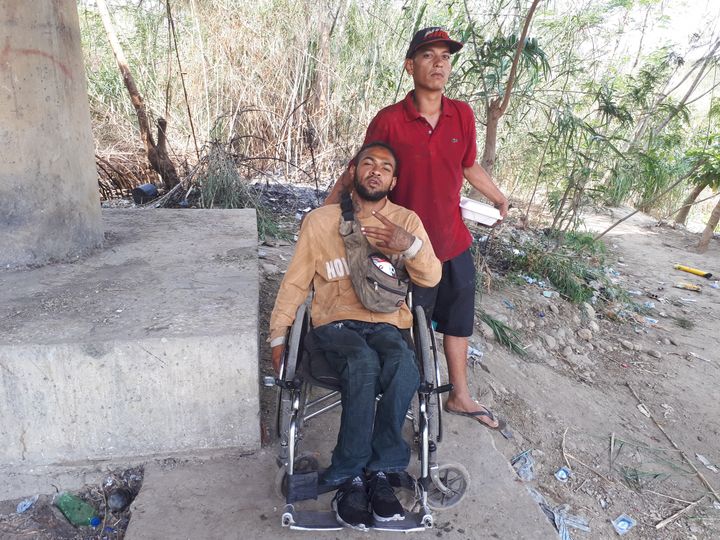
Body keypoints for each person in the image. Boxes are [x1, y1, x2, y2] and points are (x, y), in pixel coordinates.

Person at [324, 27, 509, 431]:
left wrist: (497, 196)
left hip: (452, 240)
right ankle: (405, 398)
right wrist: (326, 211)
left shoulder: (462, 113)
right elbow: (362, 168)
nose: (439, 62)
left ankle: (459, 395)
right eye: (428, 55)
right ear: (411, 66)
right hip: (403, 245)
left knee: (458, 321)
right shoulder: (390, 120)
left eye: (445, 56)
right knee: (406, 324)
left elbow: (467, 164)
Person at [269, 142, 441, 530]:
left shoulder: (406, 221)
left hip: (388, 324)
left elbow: (432, 277)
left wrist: (408, 244)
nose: (376, 171)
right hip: (335, 323)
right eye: (368, 163)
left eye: (385, 167)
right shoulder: (320, 221)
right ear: (353, 171)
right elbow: (295, 284)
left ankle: (382, 471)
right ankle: (349, 474)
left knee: (404, 366)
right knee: (362, 363)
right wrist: (279, 337)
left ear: (393, 181)